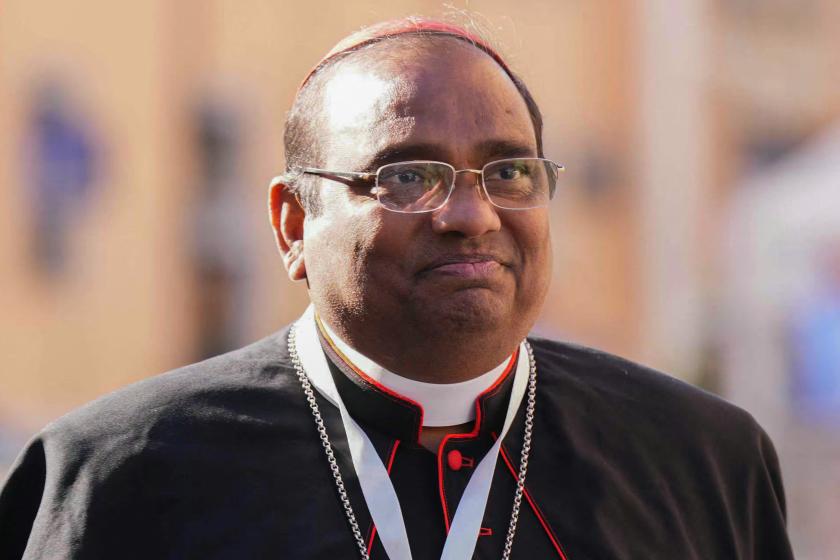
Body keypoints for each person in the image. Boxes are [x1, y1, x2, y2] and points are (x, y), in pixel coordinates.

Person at [0, 18, 794, 560]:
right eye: (408, 175)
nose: (471, 214)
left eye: (510, 170)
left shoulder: (699, 459)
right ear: (290, 224)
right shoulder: (117, 473)